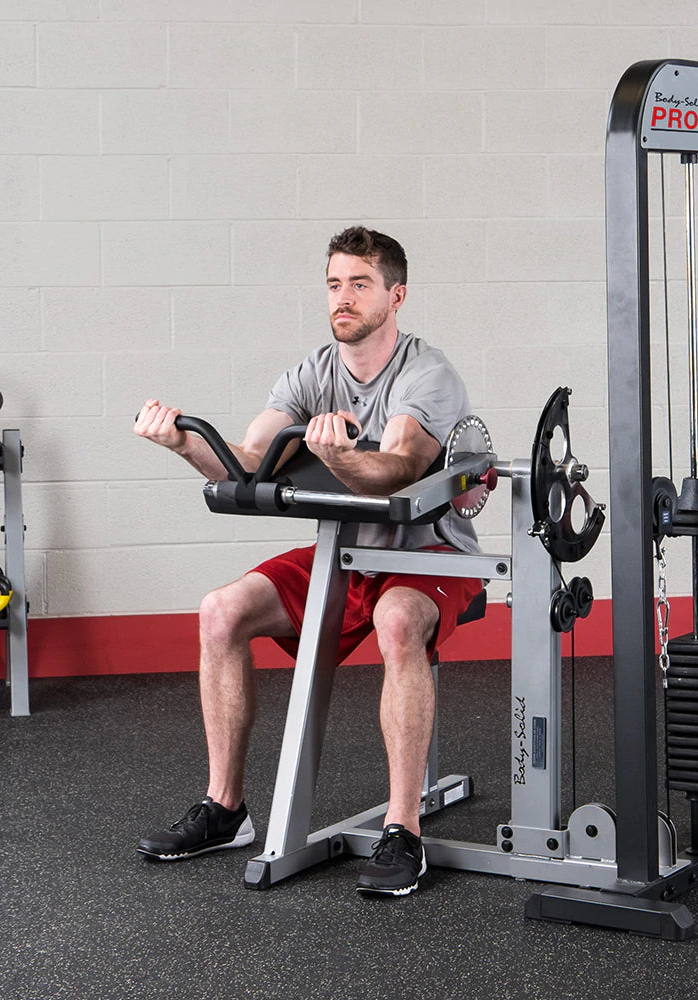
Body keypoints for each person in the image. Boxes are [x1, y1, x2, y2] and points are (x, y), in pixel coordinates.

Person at [133, 226, 481, 897]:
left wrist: (342, 457)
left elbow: (398, 470)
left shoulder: (426, 374)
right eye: (334, 284)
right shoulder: (312, 373)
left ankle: (404, 830)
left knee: (398, 621)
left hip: (426, 552)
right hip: (343, 550)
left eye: (360, 284)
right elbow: (248, 463)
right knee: (220, 611)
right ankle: (225, 810)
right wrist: (182, 443)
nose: (343, 298)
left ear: (396, 295)